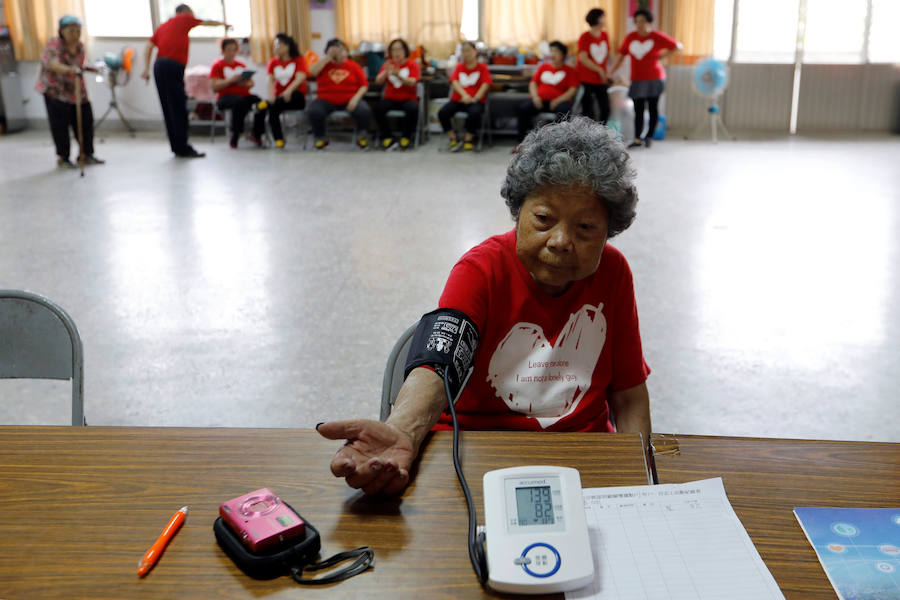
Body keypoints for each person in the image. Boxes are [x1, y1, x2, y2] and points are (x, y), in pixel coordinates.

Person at [318, 117, 651, 496]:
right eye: (543, 219)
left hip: (581, 452)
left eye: (586, 228)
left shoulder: (613, 272)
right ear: (518, 212)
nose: (560, 241)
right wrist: (404, 431)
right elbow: (437, 363)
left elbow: (628, 394)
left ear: (609, 231)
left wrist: (640, 480)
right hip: (478, 449)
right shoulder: (480, 269)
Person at [141, 3, 228, 158]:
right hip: (172, 66)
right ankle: (183, 147)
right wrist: (224, 24)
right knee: (178, 106)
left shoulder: (163, 26)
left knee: (168, 107)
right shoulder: (184, 18)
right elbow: (207, 22)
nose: (192, 16)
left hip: (159, 66)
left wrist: (146, 69)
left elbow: (148, 46)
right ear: (184, 12)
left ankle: (177, 147)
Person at [36, 15, 104, 169]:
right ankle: (64, 158)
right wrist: (70, 70)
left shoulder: (80, 45)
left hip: (76, 89)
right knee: (60, 125)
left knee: (86, 120)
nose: (75, 34)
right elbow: (53, 64)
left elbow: (80, 64)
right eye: (71, 31)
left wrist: (90, 68)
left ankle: (87, 154)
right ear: (62, 31)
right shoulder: (54, 45)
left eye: (78, 31)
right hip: (56, 91)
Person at [608, 9, 681, 148]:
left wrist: (662, 56)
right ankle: (637, 138)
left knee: (653, 108)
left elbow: (676, 46)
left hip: (655, 78)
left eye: (642, 21)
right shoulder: (630, 37)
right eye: (637, 21)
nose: (639, 24)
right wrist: (612, 71)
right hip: (637, 79)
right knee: (638, 109)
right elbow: (621, 55)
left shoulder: (656, 36)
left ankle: (649, 137)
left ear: (649, 22)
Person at [306, 39, 371, 150]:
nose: (340, 53)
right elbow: (311, 72)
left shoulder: (354, 66)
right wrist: (328, 57)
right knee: (313, 110)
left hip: (349, 99)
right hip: (325, 100)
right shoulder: (323, 65)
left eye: (342, 50)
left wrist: (355, 99)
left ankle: (362, 137)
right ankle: (320, 138)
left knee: (364, 110)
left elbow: (364, 85)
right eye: (336, 51)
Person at [515, 41, 577, 146]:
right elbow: (533, 83)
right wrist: (535, 97)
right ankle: (522, 141)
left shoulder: (569, 70)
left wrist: (558, 100)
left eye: (556, 51)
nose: (552, 54)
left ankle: (558, 142)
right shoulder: (543, 67)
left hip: (559, 102)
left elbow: (572, 90)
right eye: (551, 51)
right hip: (540, 101)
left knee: (564, 112)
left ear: (563, 55)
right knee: (522, 108)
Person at [210, 38, 267, 149]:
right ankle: (235, 134)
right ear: (223, 50)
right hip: (225, 97)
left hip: (244, 95)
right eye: (228, 50)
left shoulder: (240, 65)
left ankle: (256, 134)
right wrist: (231, 80)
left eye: (233, 50)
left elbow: (251, 83)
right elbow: (214, 87)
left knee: (262, 103)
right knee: (240, 103)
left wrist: (245, 84)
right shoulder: (217, 65)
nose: (231, 53)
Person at [438, 41, 492, 152]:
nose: (466, 54)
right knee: (443, 112)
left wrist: (475, 98)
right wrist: (465, 95)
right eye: (463, 51)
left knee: (474, 113)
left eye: (468, 50)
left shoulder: (483, 67)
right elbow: (454, 82)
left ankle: (468, 139)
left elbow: (485, 84)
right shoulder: (459, 67)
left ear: (475, 51)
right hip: (459, 100)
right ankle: (453, 137)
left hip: (476, 100)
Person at [373, 38, 420, 151]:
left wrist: (399, 76)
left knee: (413, 108)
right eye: (393, 50)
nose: (396, 53)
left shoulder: (412, 65)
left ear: (405, 51)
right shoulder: (388, 65)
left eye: (399, 49)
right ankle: (387, 136)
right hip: (391, 98)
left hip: (408, 98)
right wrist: (386, 72)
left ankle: (406, 137)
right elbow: (378, 81)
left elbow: (413, 82)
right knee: (377, 108)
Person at [265, 33, 308, 149]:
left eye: (278, 44)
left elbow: (301, 77)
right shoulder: (273, 62)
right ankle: (278, 139)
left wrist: (288, 91)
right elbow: (269, 80)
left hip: (296, 97)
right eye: (274, 45)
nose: (275, 47)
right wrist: (270, 95)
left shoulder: (299, 60)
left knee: (271, 105)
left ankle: (263, 104)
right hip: (280, 99)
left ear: (287, 46)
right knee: (272, 107)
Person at [576, 8, 612, 124]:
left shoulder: (605, 35)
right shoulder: (585, 37)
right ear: (597, 19)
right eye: (603, 17)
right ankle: (589, 136)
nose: (605, 20)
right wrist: (599, 70)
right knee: (588, 109)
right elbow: (583, 58)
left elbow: (608, 55)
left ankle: (601, 133)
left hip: (601, 79)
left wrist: (610, 72)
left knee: (605, 108)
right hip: (586, 78)